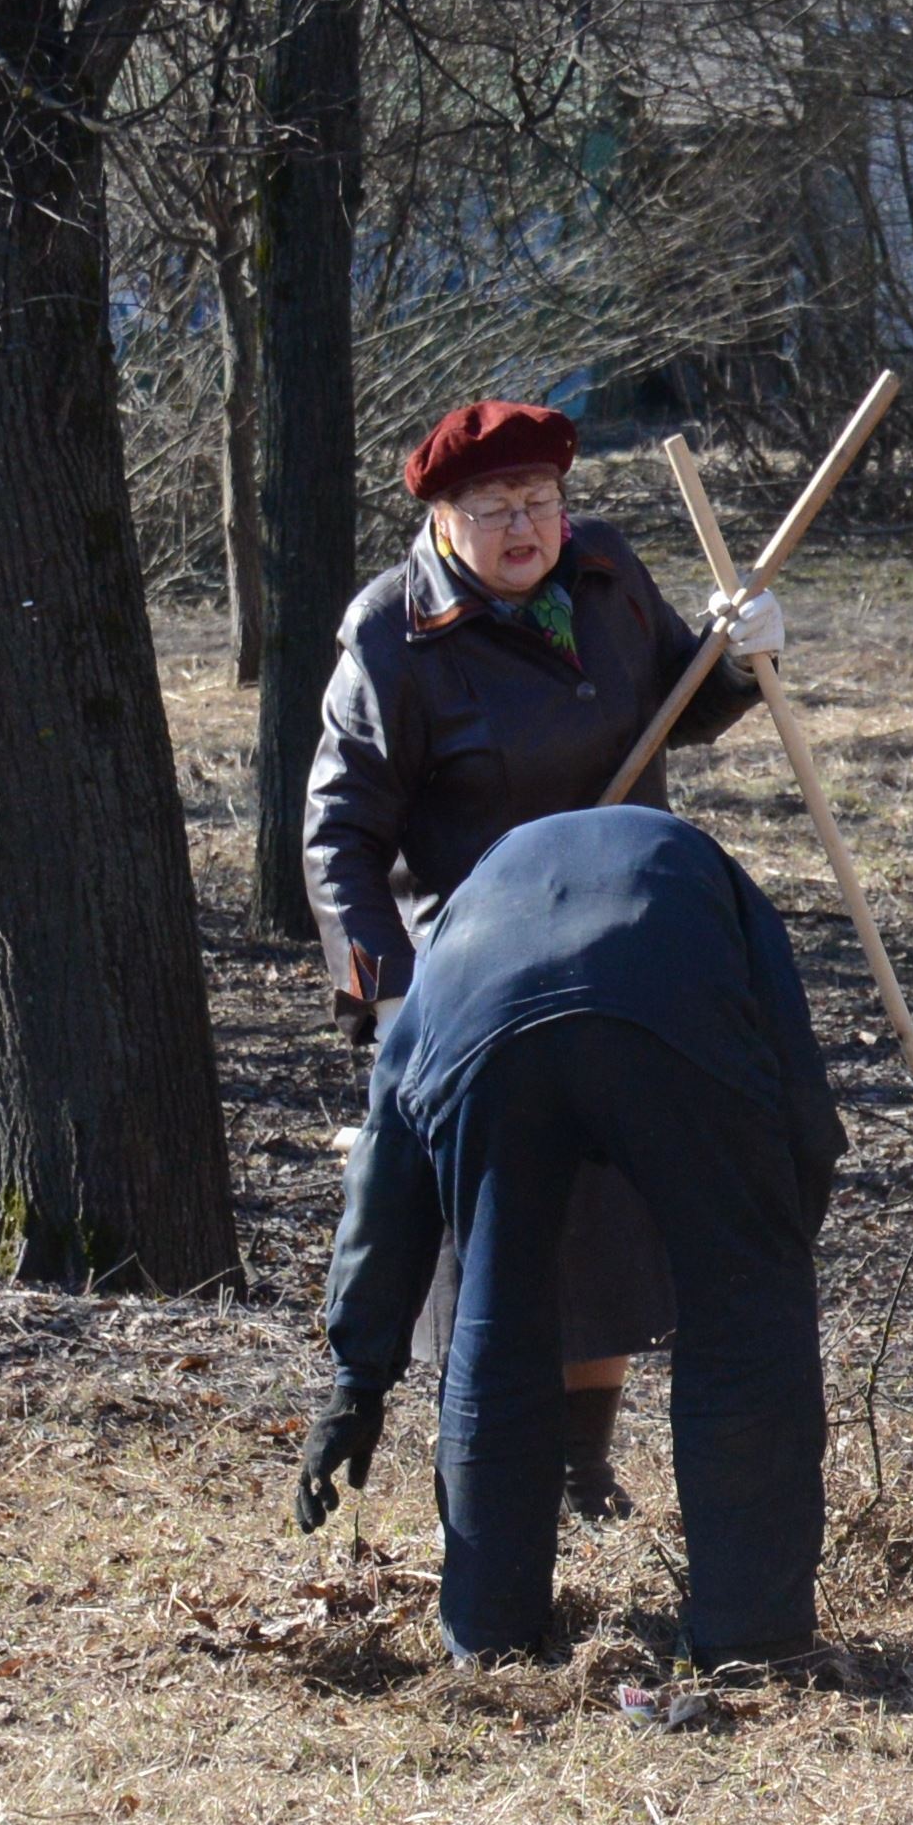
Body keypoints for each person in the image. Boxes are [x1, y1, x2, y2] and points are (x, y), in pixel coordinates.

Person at [303, 400, 783, 1522]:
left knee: (607, 1214)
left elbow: (678, 703)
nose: (526, 527)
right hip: (475, 975)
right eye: (495, 509)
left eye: (541, 503)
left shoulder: (606, 573)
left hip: (622, 947)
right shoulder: (389, 635)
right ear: (439, 516)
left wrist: (740, 657)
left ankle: (582, 1466)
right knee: (496, 1234)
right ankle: (488, 1482)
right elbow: (340, 833)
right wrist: (386, 994)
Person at [293, 806, 843, 1668]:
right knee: (744, 1320)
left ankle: (491, 1635)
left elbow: (386, 1164)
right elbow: (799, 1088)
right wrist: (771, 1239)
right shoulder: (703, 868)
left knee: (495, 1314)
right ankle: (755, 1639)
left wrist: (358, 1378)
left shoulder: (460, 922)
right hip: (669, 1003)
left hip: (488, 1038)